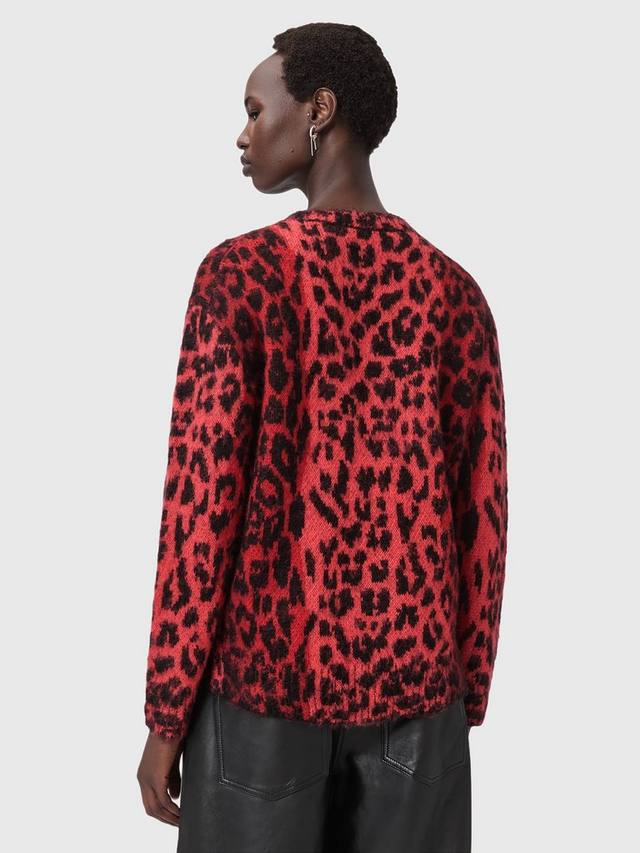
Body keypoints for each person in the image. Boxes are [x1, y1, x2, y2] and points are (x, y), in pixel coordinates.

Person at [137, 21, 508, 853]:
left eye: (254, 108)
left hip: (261, 698)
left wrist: (167, 712)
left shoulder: (240, 277)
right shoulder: (455, 294)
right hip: (419, 700)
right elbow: (483, 519)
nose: (242, 134)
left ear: (320, 110)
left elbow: (199, 513)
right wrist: (463, 695)